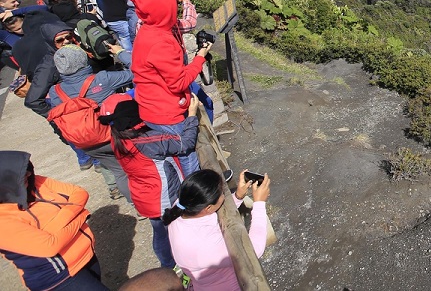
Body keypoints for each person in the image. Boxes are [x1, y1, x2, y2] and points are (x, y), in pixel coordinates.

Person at [105, 93, 200, 270]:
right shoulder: (149, 140)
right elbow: (185, 143)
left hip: (144, 198)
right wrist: (192, 116)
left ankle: (167, 265)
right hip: (165, 199)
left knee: (160, 233)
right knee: (176, 232)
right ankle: (181, 265)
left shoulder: (116, 138)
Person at [131, 0, 211, 175]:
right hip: (166, 111)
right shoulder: (161, 43)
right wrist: (199, 57)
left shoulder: (148, 29)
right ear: (165, 9)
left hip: (151, 104)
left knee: (175, 153)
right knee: (186, 152)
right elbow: (179, 82)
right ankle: (195, 199)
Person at [0, 150, 108, 290]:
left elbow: (79, 193)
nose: (28, 174)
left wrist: (54, 226)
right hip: (59, 277)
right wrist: (80, 216)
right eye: (19, 175)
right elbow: (50, 246)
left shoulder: (35, 182)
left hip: (85, 255)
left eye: (27, 170)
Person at [48, 44, 134, 202]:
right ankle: (151, 204)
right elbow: (139, 71)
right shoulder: (102, 79)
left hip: (87, 143)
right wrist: (121, 53)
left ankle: (138, 207)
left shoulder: (55, 91)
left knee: (120, 172)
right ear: (83, 60)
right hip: (114, 136)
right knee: (136, 168)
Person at [163, 168, 271, 291]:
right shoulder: (203, 245)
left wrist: (238, 196)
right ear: (208, 207)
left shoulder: (182, 206)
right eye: (222, 193)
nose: (224, 196)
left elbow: (211, 216)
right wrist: (259, 204)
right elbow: (253, 250)